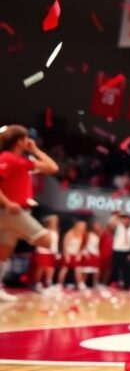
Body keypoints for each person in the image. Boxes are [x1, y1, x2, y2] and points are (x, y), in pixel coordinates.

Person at [0, 125, 59, 302]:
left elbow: (52, 168)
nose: (29, 142)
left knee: (3, 254)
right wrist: (8, 202)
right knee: (47, 240)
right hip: (12, 212)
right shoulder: (8, 158)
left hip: (12, 214)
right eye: (27, 139)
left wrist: (34, 149)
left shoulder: (21, 162)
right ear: (20, 141)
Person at [33, 215, 59, 292]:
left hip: (51, 253)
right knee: (41, 268)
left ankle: (48, 284)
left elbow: (55, 244)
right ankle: (37, 284)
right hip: (43, 252)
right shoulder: (44, 231)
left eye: (56, 221)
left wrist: (56, 253)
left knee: (50, 269)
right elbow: (39, 242)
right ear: (49, 222)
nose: (55, 223)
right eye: (54, 221)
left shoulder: (55, 232)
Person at [58, 220, 86, 290]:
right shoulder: (70, 233)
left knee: (78, 270)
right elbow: (65, 245)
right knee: (64, 269)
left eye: (84, 227)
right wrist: (66, 255)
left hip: (75, 255)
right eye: (81, 226)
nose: (82, 228)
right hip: (68, 254)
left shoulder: (81, 234)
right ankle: (59, 284)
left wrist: (79, 254)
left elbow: (80, 246)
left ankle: (80, 284)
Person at [111, 214, 130, 288]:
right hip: (117, 250)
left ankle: (127, 285)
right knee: (115, 268)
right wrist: (115, 215)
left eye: (128, 219)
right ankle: (115, 283)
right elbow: (112, 224)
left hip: (127, 251)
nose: (126, 220)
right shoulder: (118, 227)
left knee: (127, 269)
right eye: (124, 219)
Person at [79, 221, 102, 289]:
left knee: (96, 271)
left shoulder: (98, 235)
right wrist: (85, 253)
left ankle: (95, 283)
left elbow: (97, 246)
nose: (97, 227)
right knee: (86, 271)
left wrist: (98, 254)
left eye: (98, 226)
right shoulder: (88, 234)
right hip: (89, 254)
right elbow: (84, 244)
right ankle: (82, 284)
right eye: (96, 226)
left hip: (95, 254)